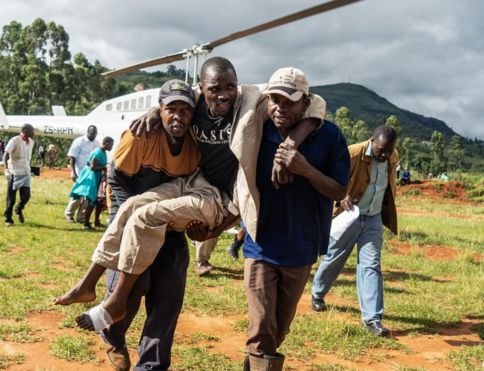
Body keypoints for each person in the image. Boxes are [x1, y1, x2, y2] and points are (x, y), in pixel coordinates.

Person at [54, 80, 239, 335]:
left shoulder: (242, 117)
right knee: (132, 208)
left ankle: (116, 304)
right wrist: (156, 110)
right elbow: (117, 179)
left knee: (148, 230)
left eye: (185, 110)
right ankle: (88, 286)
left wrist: (214, 231)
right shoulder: (149, 131)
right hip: (188, 184)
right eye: (170, 108)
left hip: (215, 199)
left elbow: (246, 201)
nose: (221, 97)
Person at [133, 57, 326, 277]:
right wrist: (154, 112)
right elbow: (171, 104)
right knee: (140, 208)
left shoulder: (250, 100)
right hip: (199, 182)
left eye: (230, 87)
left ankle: (137, 278)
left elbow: (316, 100)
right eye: (215, 88)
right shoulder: (194, 101)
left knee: (157, 215)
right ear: (201, 86)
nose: (224, 95)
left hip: (232, 188)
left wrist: (288, 146)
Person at [229, 67, 349, 371]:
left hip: (301, 247)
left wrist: (305, 169)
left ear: (305, 102)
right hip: (261, 244)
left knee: (277, 330)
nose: (280, 108)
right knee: (260, 329)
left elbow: (339, 189)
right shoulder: (258, 129)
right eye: (275, 100)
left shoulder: (329, 136)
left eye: (289, 102)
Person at [311, 125, 398, 337]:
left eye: (389, 151)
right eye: (381, 150)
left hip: (373, 218)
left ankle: (372, 319)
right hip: (349, 216)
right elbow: (328, 177)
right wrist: (340, 196)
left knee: (371, 264)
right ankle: (317, 293)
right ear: (373, 141)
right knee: (335, 257)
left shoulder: (392, 155)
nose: (385, 155)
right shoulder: (352, 153)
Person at [69, 136, 114, 229]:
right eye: (111, 145)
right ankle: (86, 224)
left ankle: (96, 222)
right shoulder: (97, 152)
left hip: (97, 177)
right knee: (90, 200)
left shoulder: (103, 152)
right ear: (107, 143)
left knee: (98, 200)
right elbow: (92, 167)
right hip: (91, 176)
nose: (112, 147)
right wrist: (105, 167)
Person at [64, 125, 100, 223]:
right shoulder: (79, 141)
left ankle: (81, 217)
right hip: (79, 172)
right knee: (78, 195)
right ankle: (69, 214)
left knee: (88, 196)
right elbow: (72, 158)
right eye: (92, 133)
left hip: (90, 173)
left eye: (95, 133)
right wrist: (74, 172)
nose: (93, 135)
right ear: (87, 131)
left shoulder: (97, 143)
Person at [3, 124, 35, 226]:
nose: (33, 133)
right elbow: (6, 155)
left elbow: (28, 158)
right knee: (11, 197)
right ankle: (8, 218)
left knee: (26, 196)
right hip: (15, 172)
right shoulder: (14, 140)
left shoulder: (31, 142)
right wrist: (6, 170)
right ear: (25, 130)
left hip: (26, 172)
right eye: (31, 131)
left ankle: (18, 208)